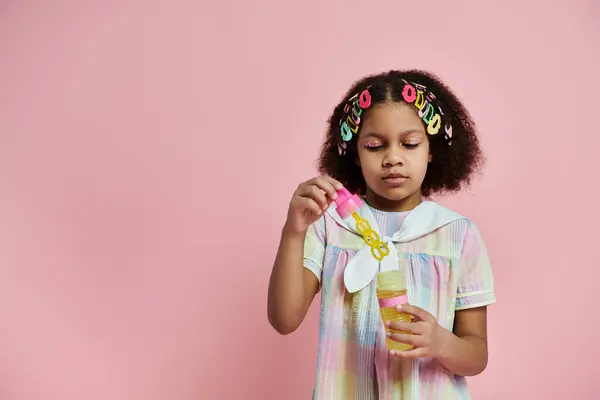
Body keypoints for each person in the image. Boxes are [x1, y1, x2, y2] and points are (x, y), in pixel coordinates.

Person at [267, 69, 496, 399]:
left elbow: (477, 355)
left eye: (410, 143)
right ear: (356, 155)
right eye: (374, 146)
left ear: (431, 149)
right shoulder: (331, 226)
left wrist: (441, 342)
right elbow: (284, 319)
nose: (392, 158)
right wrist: (293, 231)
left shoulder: (457, 236)